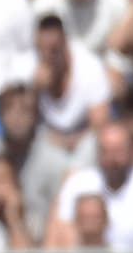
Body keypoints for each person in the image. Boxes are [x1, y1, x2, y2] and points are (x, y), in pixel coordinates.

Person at [0, 82, 72, 244]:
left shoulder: (55, 161)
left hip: (40, 244)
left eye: (25, 111)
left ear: (36, 116)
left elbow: (62, 214)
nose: (17, 118)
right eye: (9, 110)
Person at [46, 122, 133, 251]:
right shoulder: (79, 183)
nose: (112, 159)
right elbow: (61, 235)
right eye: (106, 151)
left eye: (118, 151)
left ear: (132, 151)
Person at [32, 14, 110, 153]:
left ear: (65, 45)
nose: (47, 56)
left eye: (53, 50)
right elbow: (21, 124)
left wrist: (68, 142)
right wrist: (35, 92)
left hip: (84, 144)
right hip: (44, 145)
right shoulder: (30, 68)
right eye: (41, 50)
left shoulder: (90, 68)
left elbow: (100, 123)